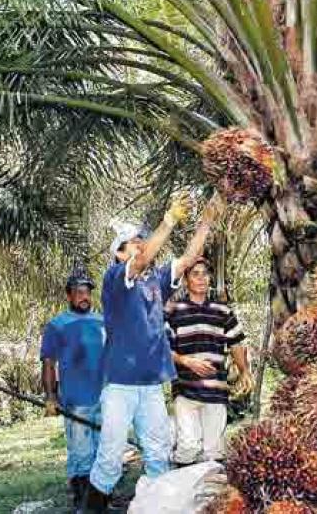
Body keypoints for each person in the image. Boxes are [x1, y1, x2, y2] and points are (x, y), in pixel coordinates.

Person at [84, 193, 225, 512]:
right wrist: (169, 220)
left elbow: (189, 258)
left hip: (150, 385)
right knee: (110, 455)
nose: (138, 245)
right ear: (119, 255)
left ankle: (158, 506)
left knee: (159, 453)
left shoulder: (157, 281)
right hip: (119, 385)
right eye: (131, 243)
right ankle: (91, 508)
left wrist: (207, 220)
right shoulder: (115, 280)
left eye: (140, 240)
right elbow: (144, 258)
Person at [166, 257, 252, 467]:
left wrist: (244, 371)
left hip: (216, 391)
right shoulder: (174, 312)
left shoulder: (222, 311)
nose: (202, 278)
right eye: (195, 274)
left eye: (205, 273)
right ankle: (183, 495)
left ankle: (209, 497)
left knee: (213, 450)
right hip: (185, 390)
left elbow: (236, 343)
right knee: (188, 447)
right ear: (186, 280)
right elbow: (161, 348)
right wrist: (185, 361)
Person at [40, 267, 105, 508]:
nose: (83, 296)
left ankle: (101, 500)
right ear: (68, 296)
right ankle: (82, 501)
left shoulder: (102, 321)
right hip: (76, 400)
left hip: (105, 398)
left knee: (103, 451)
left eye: (87, 291)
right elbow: (48, 362)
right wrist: (50, 397)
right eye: (78, 292)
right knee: (81, 453)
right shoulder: (57, 325)